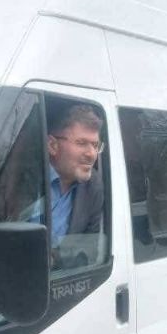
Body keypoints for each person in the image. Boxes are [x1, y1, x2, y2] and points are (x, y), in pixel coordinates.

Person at [42, 103, 105, 244]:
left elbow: (88, 250)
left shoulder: (94, 185)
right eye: (82, 143)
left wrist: (56, 259)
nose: (92, 154)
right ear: (52, 145)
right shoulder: (25, 177)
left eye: (95, 145)